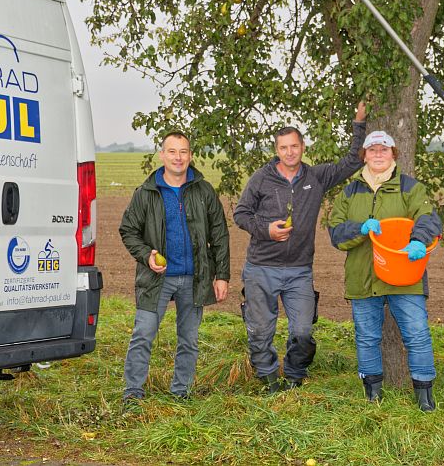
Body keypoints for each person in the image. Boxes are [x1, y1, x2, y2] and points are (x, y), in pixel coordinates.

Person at [234, 102, 367, 392]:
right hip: (261, 268)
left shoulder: (316, 177)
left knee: (303, 331)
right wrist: (266, 230)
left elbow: (352, 162)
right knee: (260, 331)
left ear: (302, 146)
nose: (289, 152)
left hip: (299, 271)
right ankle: (269, 380)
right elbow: (241, 214)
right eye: (283, 148)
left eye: (294, 146)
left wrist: (359, 123)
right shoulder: (261, 178)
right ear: (276, 150)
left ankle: (294, 376)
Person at [327, 130, 443, 411]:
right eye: (372, 149)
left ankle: (425, 397)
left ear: (394, 153)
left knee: (417, 334)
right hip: (363, 276)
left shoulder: (410, 187)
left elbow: (429, 218)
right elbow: (335, 232)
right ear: (364, 154)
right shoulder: (350, 191)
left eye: (384, 149)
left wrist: (418, 241)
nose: (378, 154)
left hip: (405, 274)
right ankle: (373, 395)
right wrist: (360, 229)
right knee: (367, 337)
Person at [120, 131, 230, 407]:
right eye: (172, 151)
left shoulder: (203, 190)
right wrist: (147, 256)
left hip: (194, 278)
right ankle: (133, 392)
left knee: (189, 340)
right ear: (162, 155)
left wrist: (222, 276)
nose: (178, 157)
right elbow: (128, 230)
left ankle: (180, 392)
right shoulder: (146, 192)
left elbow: (220, 234)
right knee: (143, 334)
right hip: (155, 279)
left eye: (183, 152)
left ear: (190, 156)